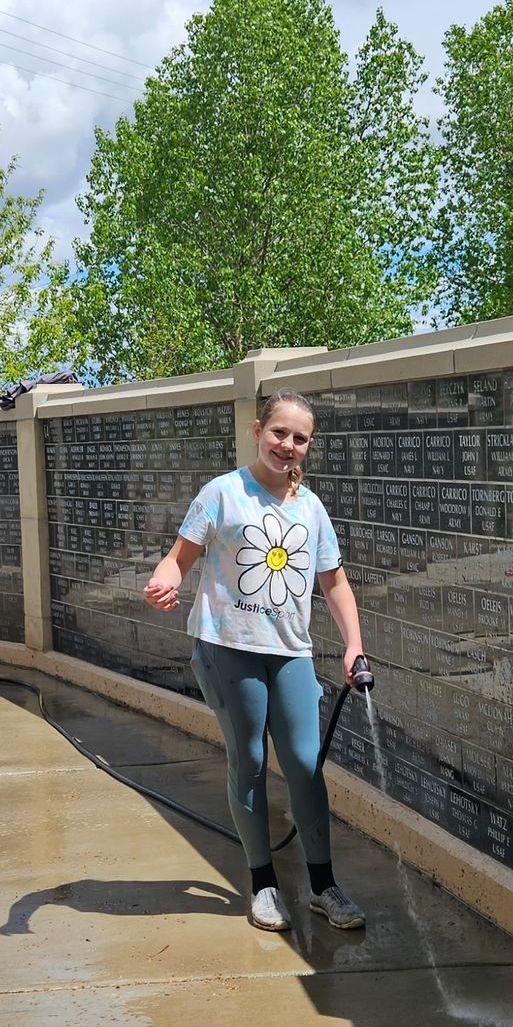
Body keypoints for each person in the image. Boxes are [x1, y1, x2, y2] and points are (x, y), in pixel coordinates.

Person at [143, 391, 369, 934]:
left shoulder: (309, 507)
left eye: (299, 439)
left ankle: (322, 886)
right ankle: (264, 884)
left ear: (309, 446)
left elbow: (334, 583)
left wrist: (354, 644)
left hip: (289, 651)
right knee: (247, 760)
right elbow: (179, 560)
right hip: (227, 648)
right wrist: (164, 583)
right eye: (279, 433)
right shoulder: (222, 493)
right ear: (257, 430)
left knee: (304, 764)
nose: (287, 446)